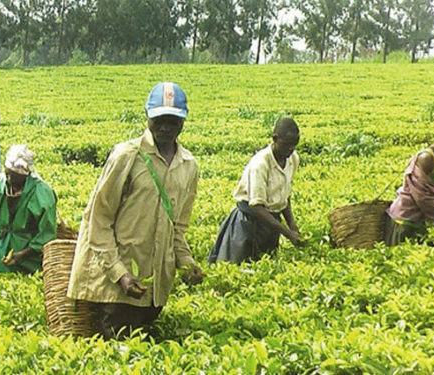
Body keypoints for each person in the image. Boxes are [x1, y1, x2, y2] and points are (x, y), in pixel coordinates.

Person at [67, 82, 204, 340]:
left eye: (172, 121)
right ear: (147, 116)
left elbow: (177, 227)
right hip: (117, 285)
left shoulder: (188, 166)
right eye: (158, 119)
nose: (164, 127)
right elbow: (98, 219)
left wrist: (187, 263)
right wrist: (120, 274)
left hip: (153, 290)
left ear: (182, 123)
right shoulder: (127, 156)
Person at [208, 118, 303, 264]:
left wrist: (292, 224)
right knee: (239, 266)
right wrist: (287, 233)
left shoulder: (292, 159)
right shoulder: (260, 164)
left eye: (294, 145)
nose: (291, 150)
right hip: (249, 223)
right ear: (275, 139)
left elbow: (284, 195)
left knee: (266, 265)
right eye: (287, 145)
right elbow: (257, 207)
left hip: (272, 224)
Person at [0, 145, 57, 273]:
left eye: (14, 176)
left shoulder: (42, 193)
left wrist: (22, 254)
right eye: (7, 174)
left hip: (29, 252)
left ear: (26, 175)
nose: (9, 179)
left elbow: (46, 233)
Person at [385, 121, 434, 246]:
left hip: (418, 220)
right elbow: (423, 199)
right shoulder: (426, 159)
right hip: (404, 220)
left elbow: (431, 191)